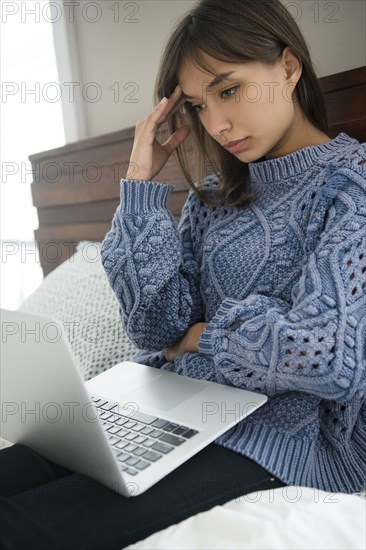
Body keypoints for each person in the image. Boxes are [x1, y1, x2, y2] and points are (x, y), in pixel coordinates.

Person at [1, 1, 365, 549]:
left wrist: (199, 339)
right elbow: (153, 328)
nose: (216, 124)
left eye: (228, 90)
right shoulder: (213, 198)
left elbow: (329, 361)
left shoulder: (350, 187)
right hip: (167, 404)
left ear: (289, 68)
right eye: (196, 105)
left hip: (281, 437)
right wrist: (139, 183)